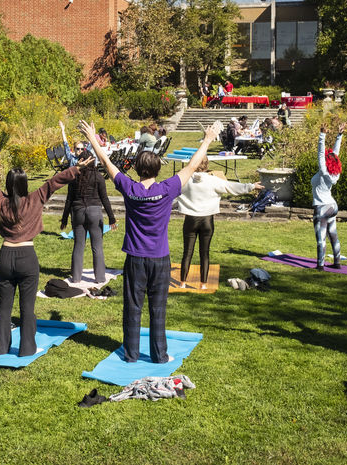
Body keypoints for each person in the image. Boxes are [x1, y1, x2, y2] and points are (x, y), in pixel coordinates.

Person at [80, 118, 222, 364]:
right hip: (159, 259)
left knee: (133, 307)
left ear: (137, 169)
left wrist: (93, 138)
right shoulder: (167, 188)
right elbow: (192, 166)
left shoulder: (130, 188)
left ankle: (131, 354)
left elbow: (106, 163)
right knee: (158, 309)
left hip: (135, 259)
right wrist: (208, 139)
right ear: (158, 170)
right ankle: (159, 355)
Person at [0, 150, 91, 356]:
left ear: (8, 184)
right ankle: (27, 349)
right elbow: (54, 182)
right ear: (25, 184)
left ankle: (0, 348)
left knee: (4, 306)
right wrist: (76, 168)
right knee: (27, 308)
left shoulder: (1, 201)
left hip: (5, 257)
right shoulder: (35, 198)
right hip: (26, 258)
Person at [176, 159, 261, 288]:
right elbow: (232, 187)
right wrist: (251, 186)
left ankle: (182, 283)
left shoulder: (184, 180)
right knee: (205, 253)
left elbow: (168, 191)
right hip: (207, 220)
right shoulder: (213, 180)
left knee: (187, 252)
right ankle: (203, 284)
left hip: (190, 220)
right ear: (207, 166)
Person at [60, 151, 118, 284]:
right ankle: (100, 278)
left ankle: (76, 277)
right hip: (94, 212)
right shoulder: (98, 177)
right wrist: (111, 218)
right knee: (97, 247)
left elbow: (69, 200)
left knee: (78, 245)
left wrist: (64, 219)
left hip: (77, 212)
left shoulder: (74, 177)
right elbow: (104, 198)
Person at [312, 123, 346, 270]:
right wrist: (339, 135)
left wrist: (322, 135)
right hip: (332, 206)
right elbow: (335, 154)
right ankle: (337, 263)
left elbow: (320, 154)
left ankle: (320, 266)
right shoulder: (334, 173)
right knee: (333, 235)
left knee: (321, 238)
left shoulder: (323, 171)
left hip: (322, 207)